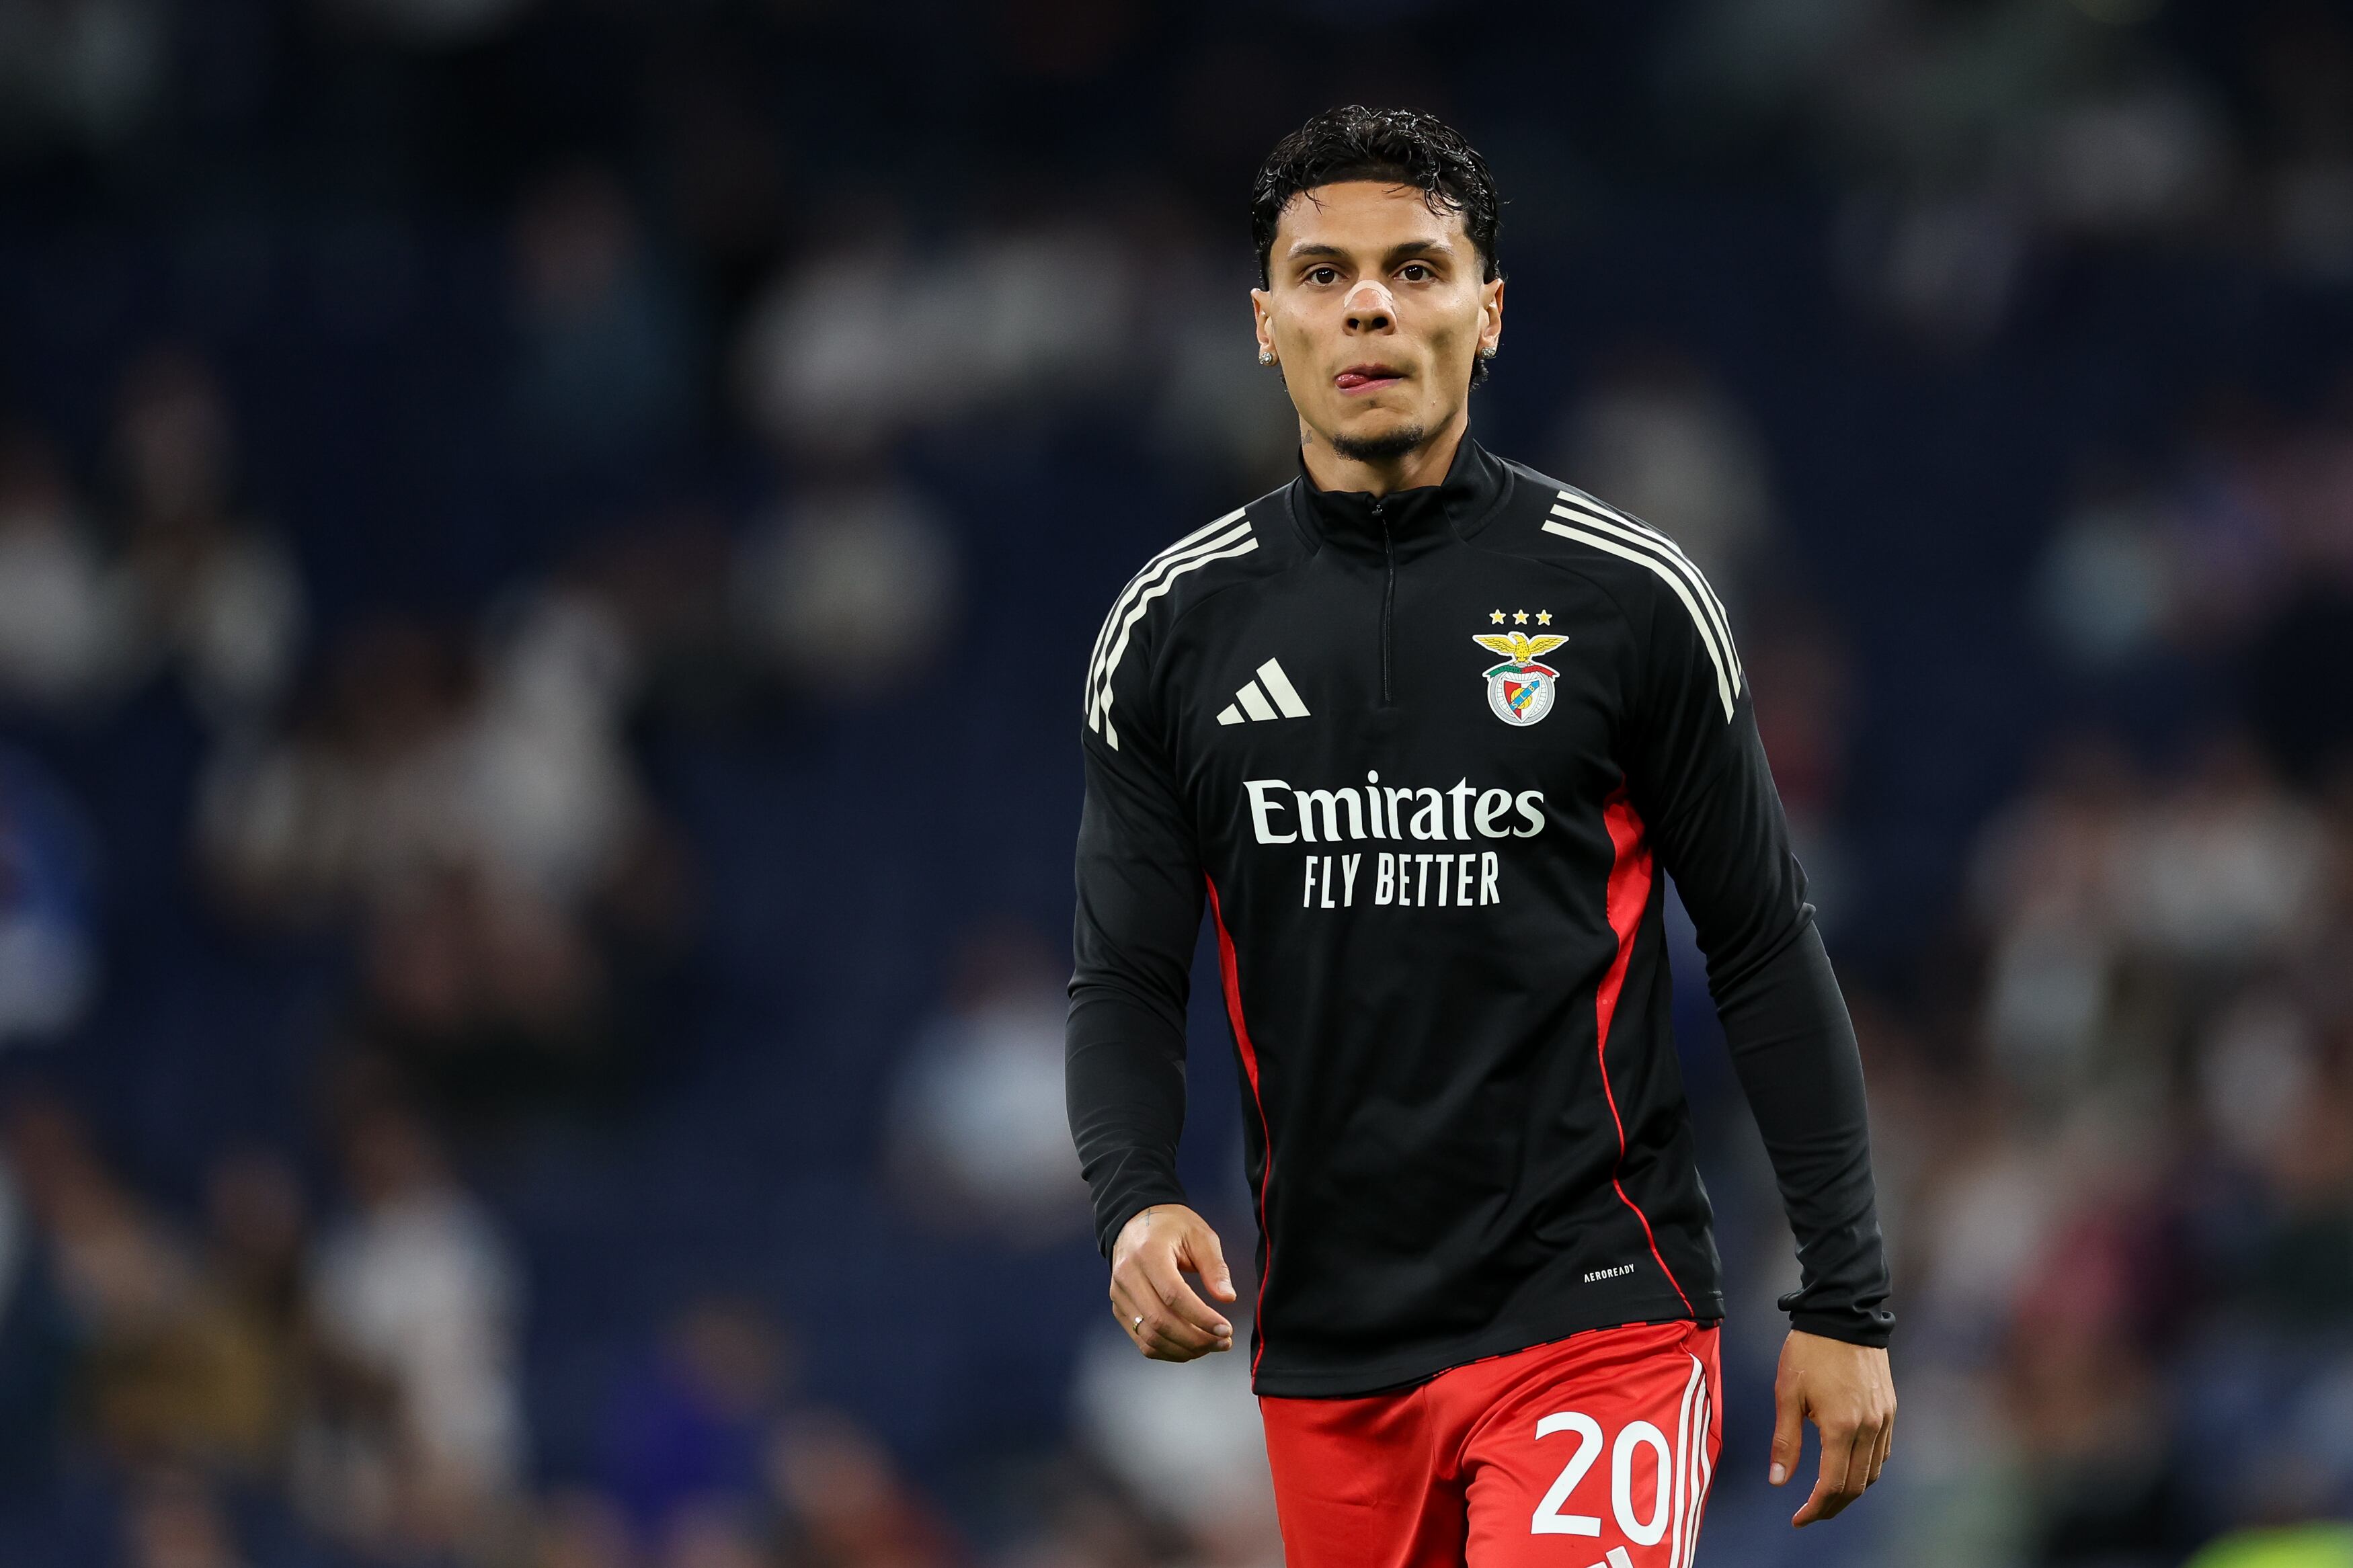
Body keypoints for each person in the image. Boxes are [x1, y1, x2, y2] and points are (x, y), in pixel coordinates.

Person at [1064, 106, 1896, 1568]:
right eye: (1322, 275)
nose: (1368, 305)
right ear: (1264, 324)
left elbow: (1765, 945)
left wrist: (1845, 1295)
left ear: (1488, 310)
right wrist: (1134, 1199)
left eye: (1415, 267)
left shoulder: (1633, 602)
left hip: (1596, 1309)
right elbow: (1126, 974)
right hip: (1332, 1348)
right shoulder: (1172, 629)